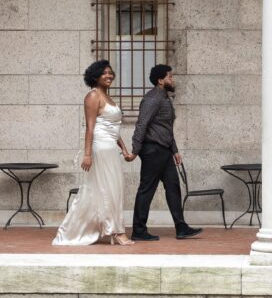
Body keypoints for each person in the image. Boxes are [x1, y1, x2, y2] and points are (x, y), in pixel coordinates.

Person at [53, 60, 135, 246]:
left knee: (114, 189)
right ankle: (116, 231)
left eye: (110, 72)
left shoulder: (108, 97)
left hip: (111, 149)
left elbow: (114, 129)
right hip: (100, 148)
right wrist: (87, 154)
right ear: (95, 76)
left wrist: (124, 150)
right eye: (104, 73)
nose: (109, 75)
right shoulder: (92, 96)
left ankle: (110, 228)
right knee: (108, 189)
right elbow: (90, 128)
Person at [125, 64, 202, 241]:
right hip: (152, 150)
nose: (172, 79)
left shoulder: (165, 98)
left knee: (173, 187)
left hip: (164, 151)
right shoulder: (153, 99)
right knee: (146, 189)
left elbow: (166, 128)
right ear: (160, 80)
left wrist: (174, 150)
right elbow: (142, 124)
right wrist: (135, 151)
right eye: (170, 77)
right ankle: (138, 230)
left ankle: (181, 227)